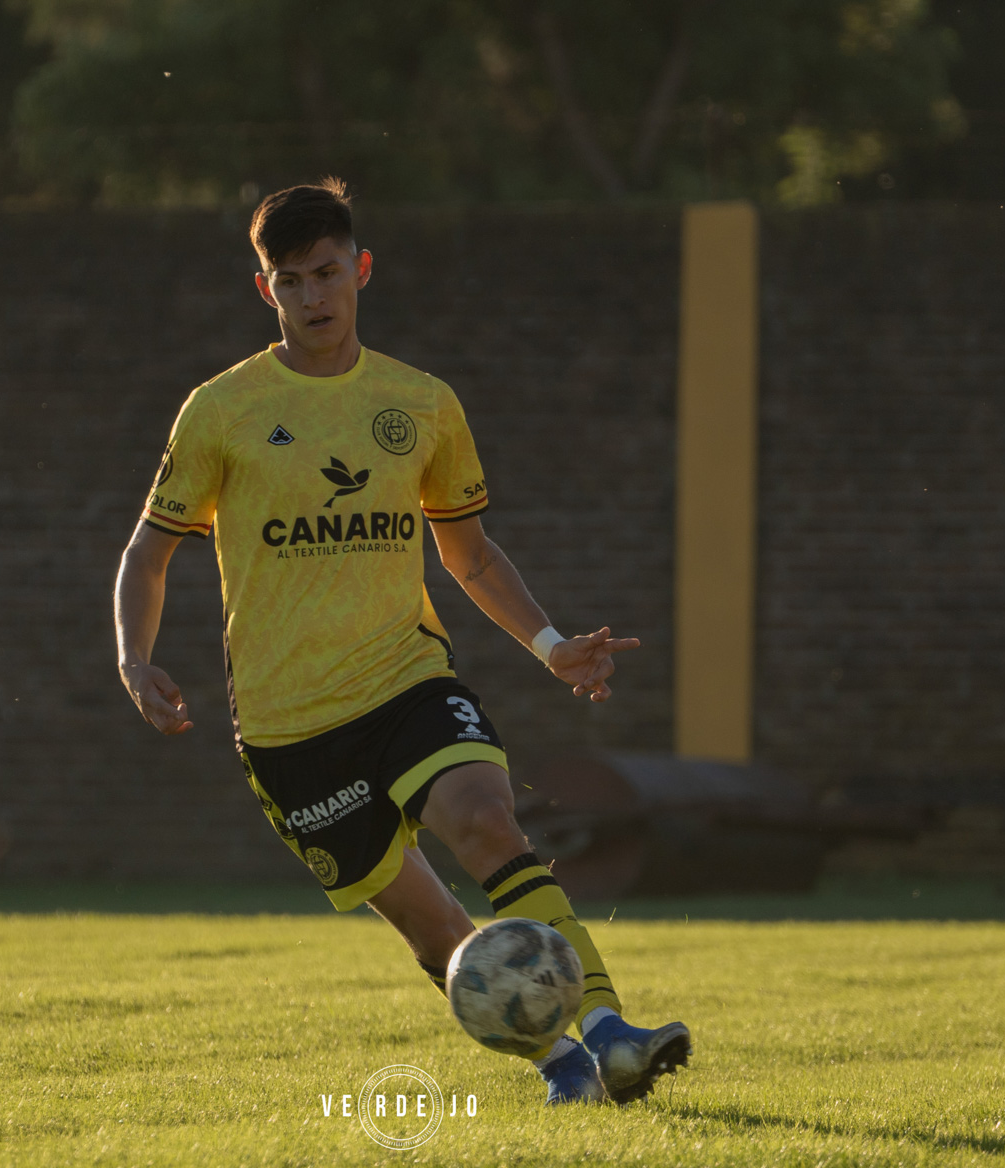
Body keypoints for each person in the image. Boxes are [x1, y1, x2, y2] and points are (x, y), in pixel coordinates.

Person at [113, 179, 689, 1105]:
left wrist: (549, 644)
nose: (313, 297)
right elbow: (148, 553)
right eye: (290, 280)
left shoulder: (419, 403)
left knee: (488, 823)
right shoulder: (220, 411)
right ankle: (564, 1069)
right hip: (289, 728)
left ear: (361, 270)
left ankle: (612, 1029)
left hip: (408, 681)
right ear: (266, 291)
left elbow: (467, 552)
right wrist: (133, 657)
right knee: (435, 931)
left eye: (328, 273)